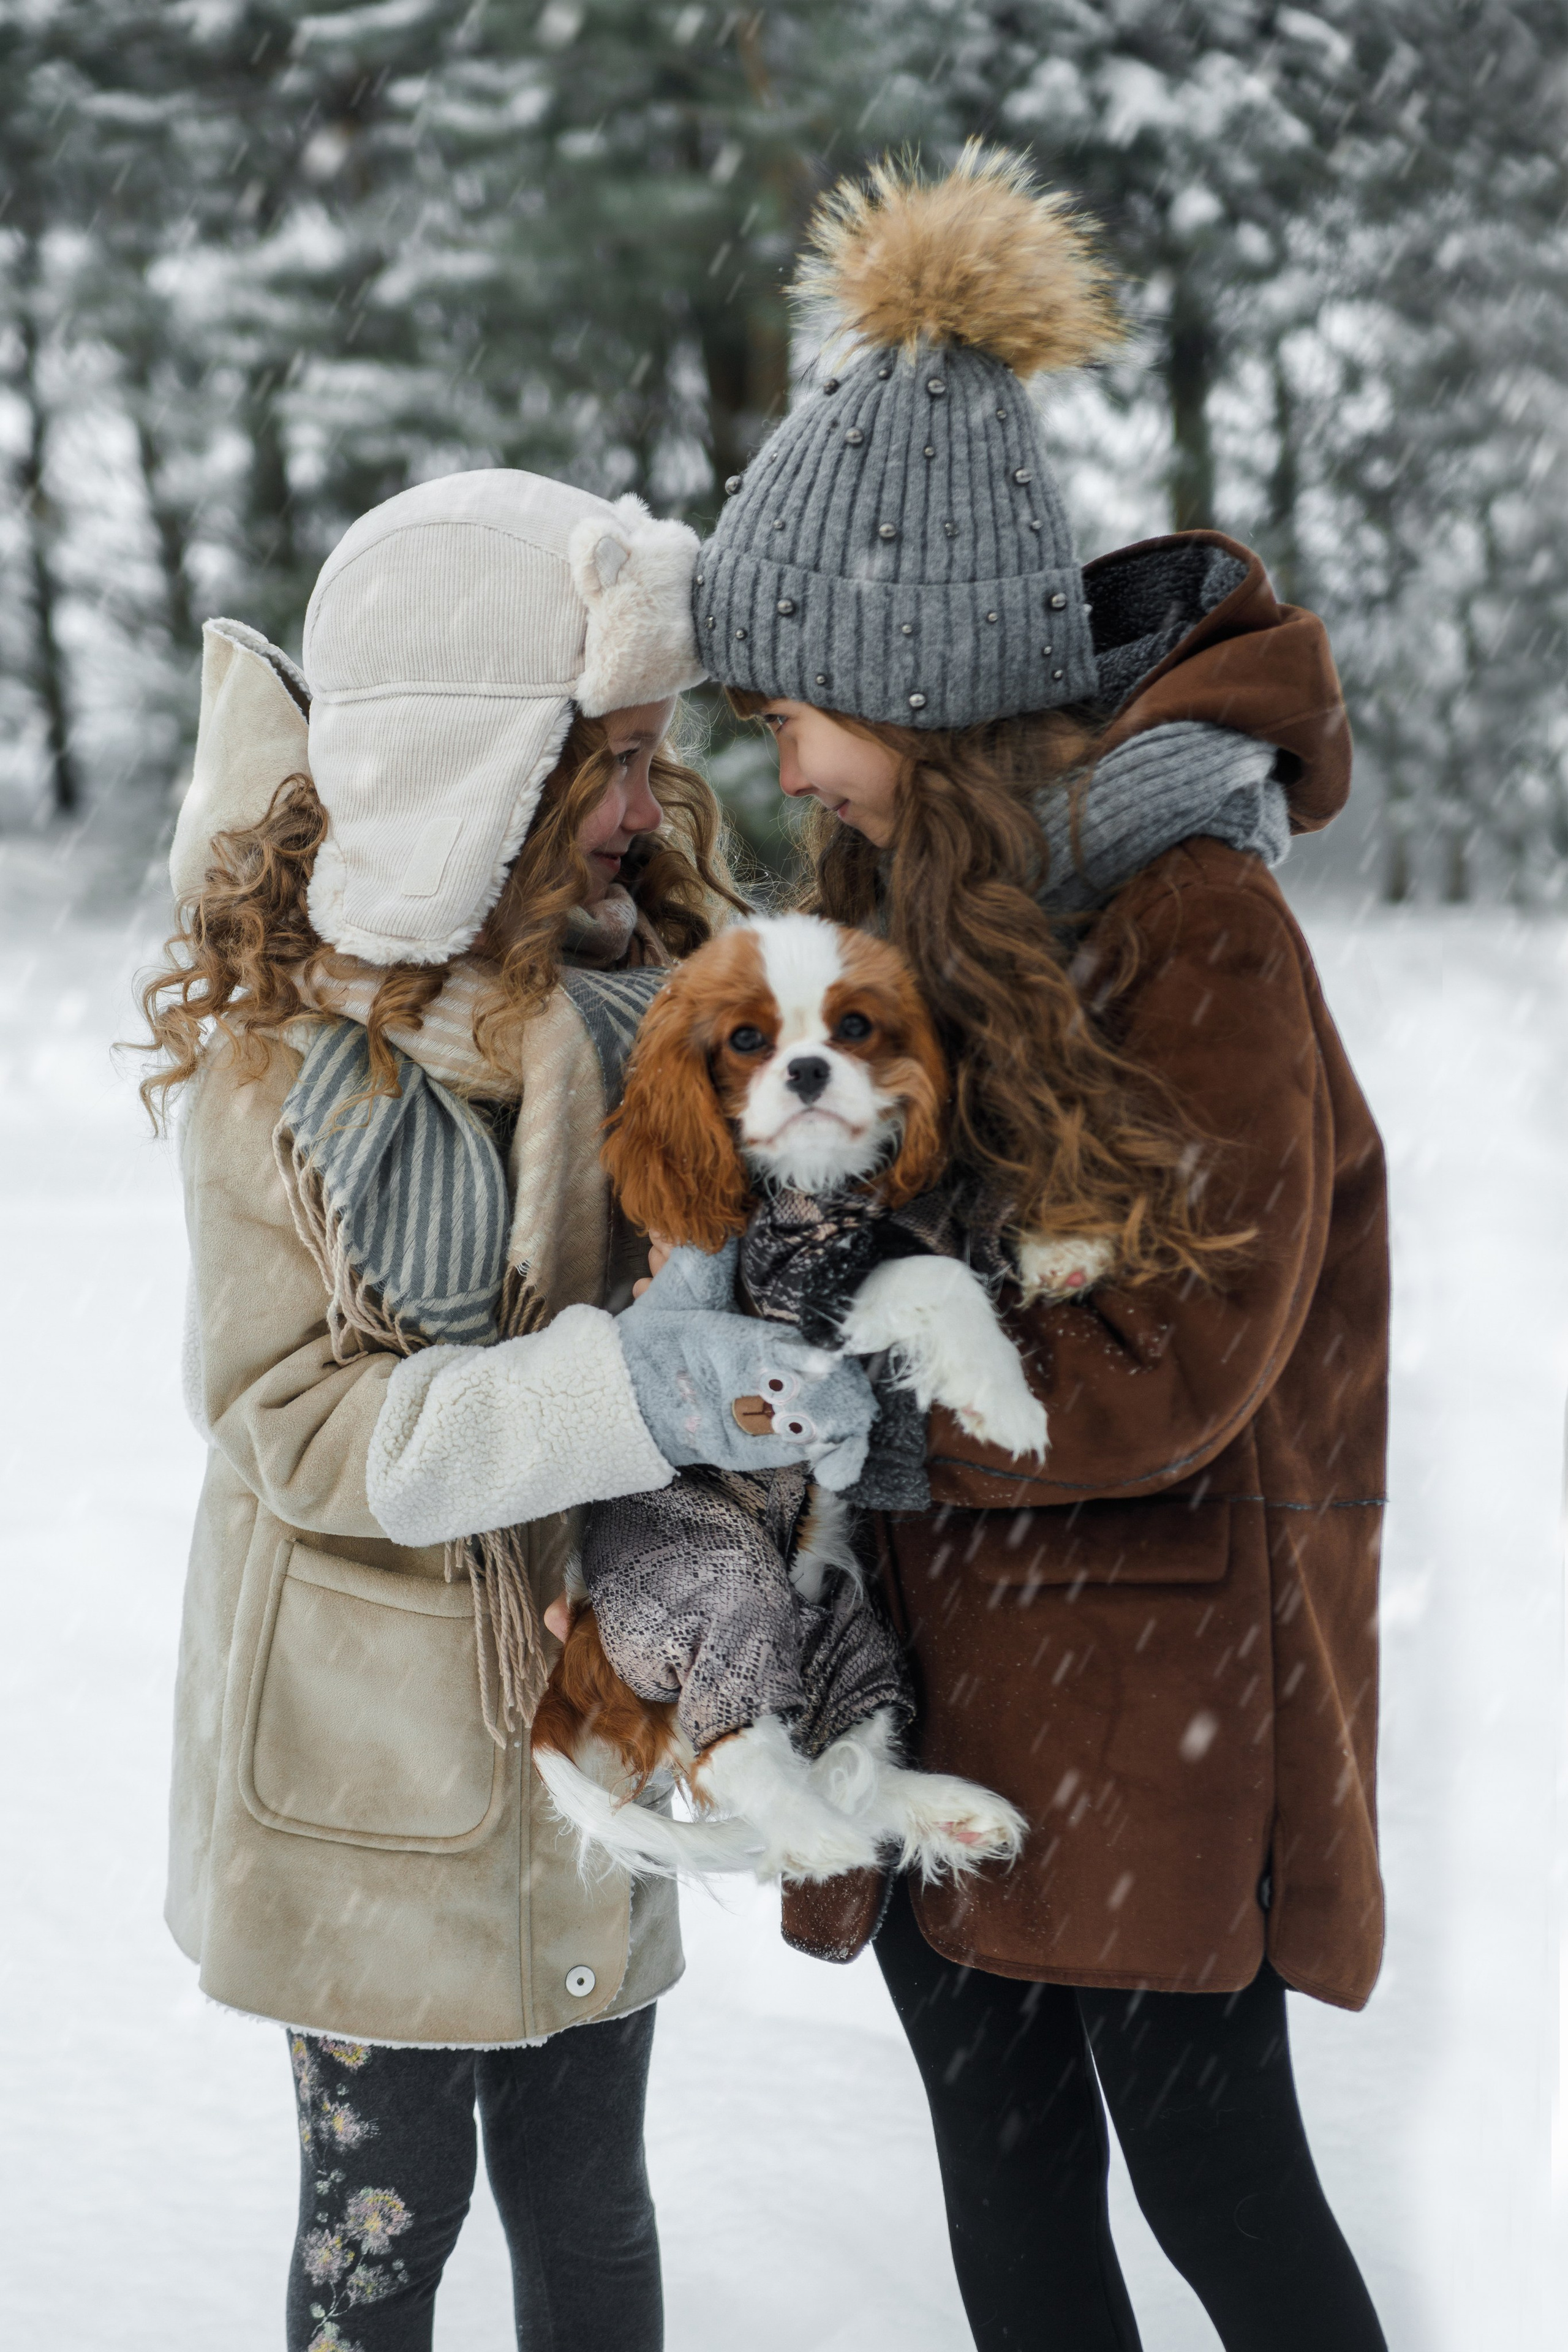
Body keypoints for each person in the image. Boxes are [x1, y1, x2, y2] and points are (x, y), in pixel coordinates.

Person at [694, 148, 1389, 2352]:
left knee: (1219, 2190)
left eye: (790, 690)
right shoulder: (884, 925)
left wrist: (874, 1419)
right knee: (1009, 2212)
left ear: (905, 682)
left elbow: (1183, 1352)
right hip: (937, 1681)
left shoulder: (1199, 927)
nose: (769, 740)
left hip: (1148, 1686)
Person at [138, 469, 876, 2351]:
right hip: (373, 1767)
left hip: (600, 1723)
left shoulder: (661, 1003)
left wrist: (797, 1403)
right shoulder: (288, 1062)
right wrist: (626, 1391)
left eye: (650, 755)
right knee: (385, 2236)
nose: (650, 807)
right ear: (479, 768)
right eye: (604, 764)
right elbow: (296, 1429)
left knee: (590, 2209)